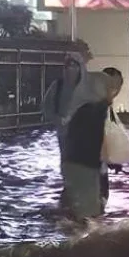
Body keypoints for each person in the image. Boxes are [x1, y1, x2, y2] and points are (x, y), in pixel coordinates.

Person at [61, 72, 114, 220]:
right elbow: (103, 139)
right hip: (89, 168)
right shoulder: (101, 110)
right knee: (93, 214)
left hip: (71, 165)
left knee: (73, 211)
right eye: (110, 88)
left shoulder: (80, 109)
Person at [43, 53, 86, 206]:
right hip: (65, 132)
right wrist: (58, 119)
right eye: (68, 66)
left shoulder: (87, 88)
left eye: (74, 66)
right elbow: (46, 107)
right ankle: (69, 190)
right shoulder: (58, 86)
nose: (71, 69)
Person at [99, 67, 125, 210]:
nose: (117, 89)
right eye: (114, 85)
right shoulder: (99, 106)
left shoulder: (106, 106)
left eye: (119, 85)